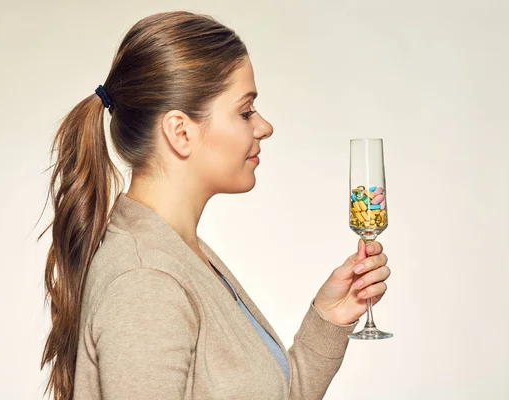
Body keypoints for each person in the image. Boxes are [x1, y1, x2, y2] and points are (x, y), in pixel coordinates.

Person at [39, 10, 391, 400]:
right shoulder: (146, 282)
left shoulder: (179, 252)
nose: (264, 127)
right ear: (180, 131)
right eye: (245, 111)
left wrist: (329, 318)